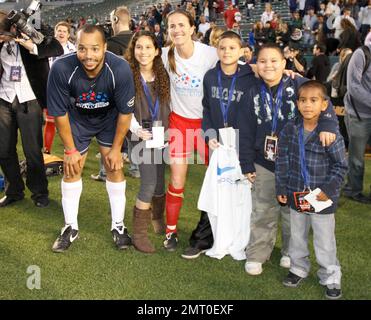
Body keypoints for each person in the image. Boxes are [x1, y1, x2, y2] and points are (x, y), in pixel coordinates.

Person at [239, 43, 338, 276]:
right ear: (256, 64)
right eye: (262, 61)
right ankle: (257, 253)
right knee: (263, 209)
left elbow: (324, 102)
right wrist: (245, 163)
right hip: (263, 161)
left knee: (293, 210)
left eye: (274, 60)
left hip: (295, 161)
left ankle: (290, 252)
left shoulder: (299, 84)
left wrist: (327, 125)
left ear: (284, 63)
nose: (268, 65)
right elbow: (245, 130)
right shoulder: (252, 91)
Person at [47, 25, 135, 252]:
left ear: (105, 47)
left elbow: (126, 113)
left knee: (114, 167)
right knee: (72, 168)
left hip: (109, 119)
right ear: (76, 47)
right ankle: (70, 227)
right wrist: (69, 150)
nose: (88, 56)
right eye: (82, 49)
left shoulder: (120, 68)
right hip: (77, 121)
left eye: (95, 49)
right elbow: (58, 113)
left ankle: (118, 226)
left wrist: (116, 149)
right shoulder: (61, 68)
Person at [276, 80, 347, 300]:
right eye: (303, 100)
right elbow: (282, 159)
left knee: (324, 240)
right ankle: (298, 268)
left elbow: (340, 166)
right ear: (297, 104)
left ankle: (330, 276)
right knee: (297, 235)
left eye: (314, 100)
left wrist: (327, 189)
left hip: (323, 197)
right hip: (296, 192)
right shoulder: (290, 129)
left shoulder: (330, 134)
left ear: (324, 104)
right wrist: (282, 187)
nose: (308, 105)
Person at [161, 9, 219, 256]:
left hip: (207, 125)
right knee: (176, 180)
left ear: (193, 28)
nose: (177, 30)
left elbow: (238, 67)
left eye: (181, 25)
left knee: (218, 180)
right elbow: (134, 60)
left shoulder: (209, 54)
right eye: (172, 26)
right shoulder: (165, 54)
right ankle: (170, 231)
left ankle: (217, 229)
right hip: (179, 124)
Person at [0, 10, 63, 208]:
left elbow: (56, 48)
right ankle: (14, 190)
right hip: (4, 98)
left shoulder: (33, 29)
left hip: (30, 99)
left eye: (2, 34)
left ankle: (39, 192)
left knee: (32, 151)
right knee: (3, 149)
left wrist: (32, 46)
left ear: (12, 28)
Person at [201, 31, 255, 259]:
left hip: (242, 144)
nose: (226, 52)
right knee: (221, 193)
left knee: (242, 195)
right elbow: (206, 109)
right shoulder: (210, 76)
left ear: (242, 51)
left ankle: (241, 241)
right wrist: (209, 134)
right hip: (220, 146)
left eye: (232, 48)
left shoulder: (251, 77)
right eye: (222, 48)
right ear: (217, 50)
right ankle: (221, 238)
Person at [124, 31, 171, 253]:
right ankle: (139, 234)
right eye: (138, 47)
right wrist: (135, 128)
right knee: (149, 182)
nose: (143, 52)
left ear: (157, 51)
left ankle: (157, 217)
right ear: (133, 50)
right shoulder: (127, 74)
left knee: (160, 181)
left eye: (148, 47)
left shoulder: (164, 74)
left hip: (161, 136)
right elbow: (122, 107)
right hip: (140, 136)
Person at [91, 6, 138, 182]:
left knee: (109, 132)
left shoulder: (110, 44)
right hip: (138, 93)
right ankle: (136, 168)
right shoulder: (141, 40)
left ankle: (105, 172)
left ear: (116, 20)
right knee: (135, 131)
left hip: (114, 94)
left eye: (112, 20)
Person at [343, 42, 371, 204]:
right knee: (357, 158)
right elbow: (353, 86)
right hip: (359, 115)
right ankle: (353, 190)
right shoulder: (362, 54)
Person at [44, 21, 77, 155]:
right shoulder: (46, 47)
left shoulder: (74, 50)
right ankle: (46, 152)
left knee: (69, 123)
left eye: (64, 31)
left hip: (68, 90)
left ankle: (70, 150)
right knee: (51, 122)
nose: (61, 33)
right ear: (55, 32)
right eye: (59, 30)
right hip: (50, 89)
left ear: (69, 34)